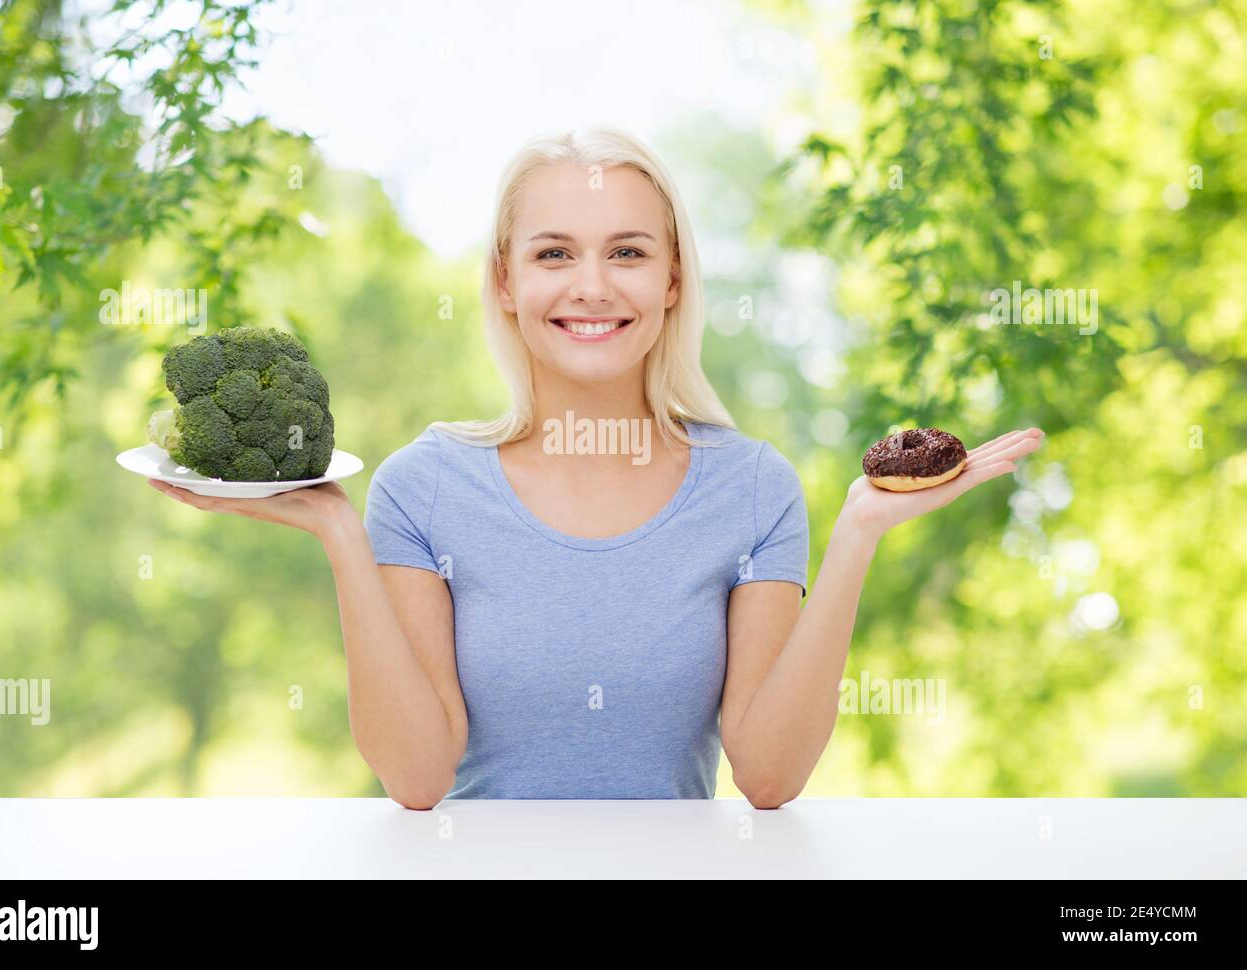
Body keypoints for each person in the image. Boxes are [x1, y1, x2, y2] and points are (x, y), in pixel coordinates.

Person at [149, 126, 1043, 809]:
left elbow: (767, 778)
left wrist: (856, 536)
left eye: (626, 252)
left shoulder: (754, 490)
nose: (592, 286)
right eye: (553, 254)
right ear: (504, 282)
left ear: (673, 280)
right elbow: (418, 780)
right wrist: (341, 536)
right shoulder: (423, 488)